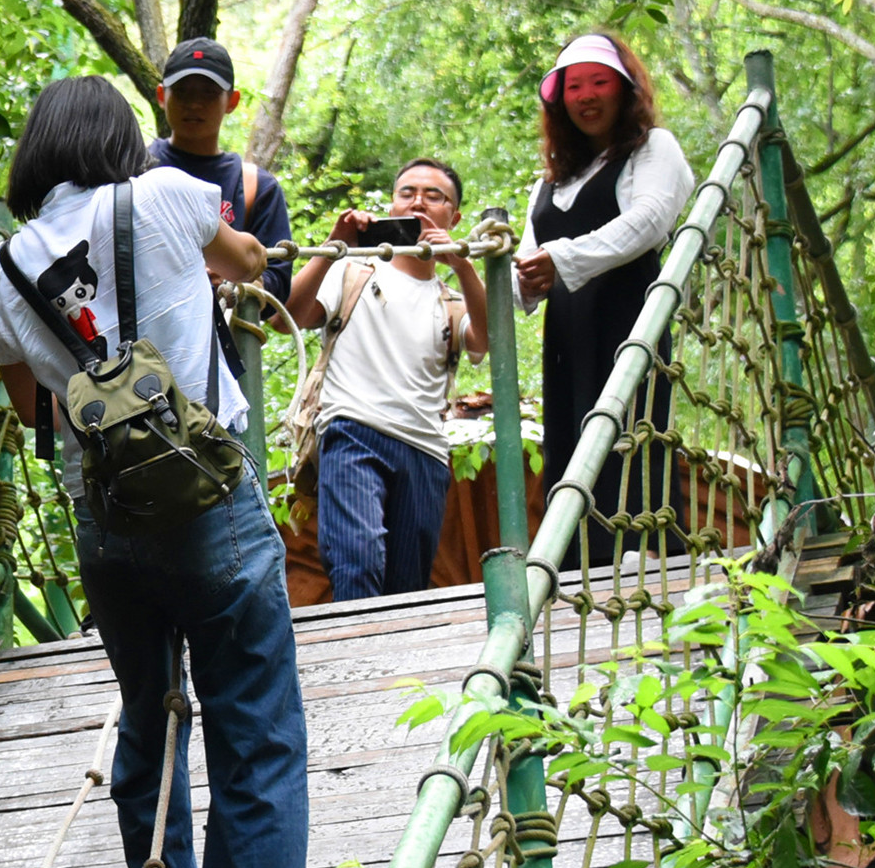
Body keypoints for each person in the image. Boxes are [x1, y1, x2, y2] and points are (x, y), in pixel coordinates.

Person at [0, 77, 315, 868]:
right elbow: (247, 259)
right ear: (128, 137)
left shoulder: (4, 265)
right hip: (213, 506)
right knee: (255, 727)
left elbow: (31, 408)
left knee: (150, 710)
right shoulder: (169, 197)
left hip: (110, 522)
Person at [513, 32, 694, 569]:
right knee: (568, 445)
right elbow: (528, 261)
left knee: (630, 439)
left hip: (628, 324)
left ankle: (647, 559)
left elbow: (649, 220)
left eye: (599, 83)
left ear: (624, 90)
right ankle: (572, 572)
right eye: (574, 86)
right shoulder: (549, 182)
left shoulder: (653, 150)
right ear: (559, 100)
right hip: (566, 337)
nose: (586, 96)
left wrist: (563, 260)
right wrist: (523, 280)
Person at [284, 158, 488, 602]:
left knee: (406, 588)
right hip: (353, 428)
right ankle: (360, 667)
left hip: (425, 452)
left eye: (434, 196)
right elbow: (292, 317)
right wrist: (334, 244)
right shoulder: (353, 270)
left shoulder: (451, 300)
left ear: (454, 216)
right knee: (357, 562)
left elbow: (485, 339)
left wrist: (463, 264)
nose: (417, 201)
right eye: (406, 192)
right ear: (392, 203)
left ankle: (395, 672)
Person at [148, 35, 296, 355]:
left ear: (232, 101)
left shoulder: (257, 187)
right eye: (183, 92)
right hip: (147, 350)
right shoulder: (133, 172)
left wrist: (239, 282)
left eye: (209, 93)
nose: (194, 103)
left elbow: (278, 285)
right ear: (162, 96)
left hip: (227, 357)